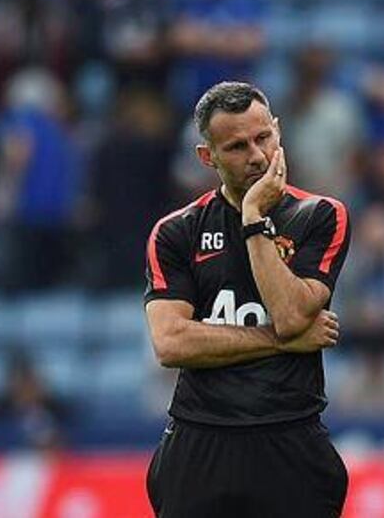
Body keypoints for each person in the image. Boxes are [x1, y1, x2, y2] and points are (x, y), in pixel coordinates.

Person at [143, 81, 350, 517]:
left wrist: (254, 218)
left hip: (290, 438)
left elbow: (292, 314)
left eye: (263, 138)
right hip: (201, 442)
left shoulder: (320, 215)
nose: (257, 156)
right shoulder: (176, 231)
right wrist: (278, 341)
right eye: (237, 146)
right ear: (207, 157)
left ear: (278, 130)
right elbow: (171, 344)